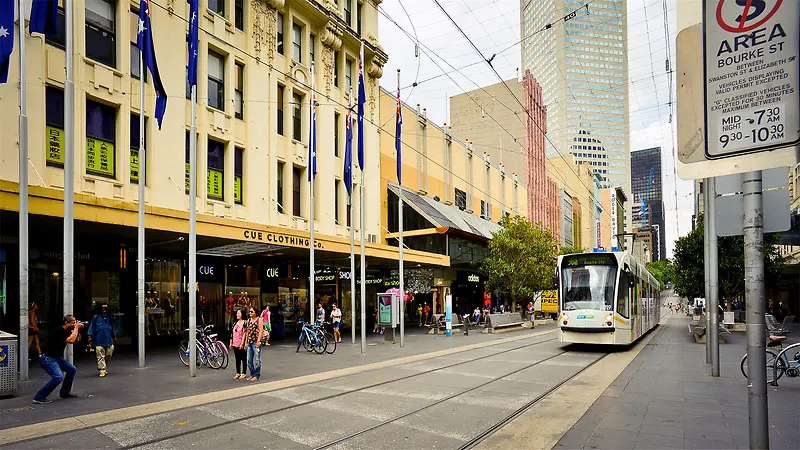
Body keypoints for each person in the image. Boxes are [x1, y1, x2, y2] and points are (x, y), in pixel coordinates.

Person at [33, 315, 82, 404]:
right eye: (73, 323)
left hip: (57, 357)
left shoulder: (66, 331)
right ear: (66, 323)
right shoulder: (58, 331)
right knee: (58, 377)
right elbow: (70, 341)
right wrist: (76, 328)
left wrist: (77, 330)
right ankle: (39, 397)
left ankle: (64, 393)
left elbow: (75, 340)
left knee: (71, 369)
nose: (74, 324)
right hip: (48, 358)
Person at [87, 302, 116, 378]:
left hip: (108, 340)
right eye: (103, 308)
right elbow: (92, 328)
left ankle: (104, 366)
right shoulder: (95, 317)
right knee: (100, 355)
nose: (104, 310)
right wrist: (90, 337)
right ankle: (102, 370)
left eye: (106, 308)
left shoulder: (110, 317)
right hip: (98, 340)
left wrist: (114, 336)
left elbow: (112, 327)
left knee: (109, 353)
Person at [245, 307, 264, 381]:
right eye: (249, 312)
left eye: (251, 312)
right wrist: (246, 342)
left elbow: (261, 330)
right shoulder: (248, 320)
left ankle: (257, 375)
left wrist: (259, 341)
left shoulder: (259, 320)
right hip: (250, 342)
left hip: (256, 342)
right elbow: (247, 331)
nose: (250, 313)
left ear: (255, 312)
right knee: (249, 360)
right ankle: (252, 374)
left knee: (257, 360)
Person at [229, 309, 247, 380]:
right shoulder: (235, 323)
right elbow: (232, 333)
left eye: (239, 313)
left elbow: (245, 334)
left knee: (243, 358)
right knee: (237, 359)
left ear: (242, 314)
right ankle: (238, 372)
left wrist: (242, 344)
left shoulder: (245, 323)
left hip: (241, 343)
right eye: (237, 313)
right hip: (235, 343)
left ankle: (244, 373)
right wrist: (231, 342)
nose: (237, 315)